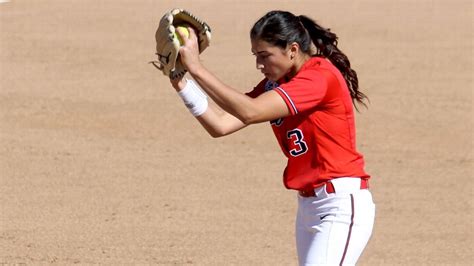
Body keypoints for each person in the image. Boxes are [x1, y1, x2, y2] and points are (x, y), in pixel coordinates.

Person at [168, 10, 375, 266]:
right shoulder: (276, 84)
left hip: (340, 206)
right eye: (256, 56)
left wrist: (197, 68)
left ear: (292, 49)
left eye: (265, 56)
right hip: (308, 208)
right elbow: (220, 124)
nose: (259, 65)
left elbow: (249, 111)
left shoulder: (319, 77)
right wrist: (181, 82)